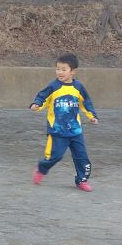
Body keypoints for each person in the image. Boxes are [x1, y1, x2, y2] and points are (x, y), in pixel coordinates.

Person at [30, 53, 99, 192]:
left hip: (75, 131)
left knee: (82, 158)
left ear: (72, 71)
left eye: (63, 69)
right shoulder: (54, 86)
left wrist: (92, 116)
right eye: (57, 69)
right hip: (57, 131)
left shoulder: (78, 87)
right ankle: (41, 169)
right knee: (54, 156)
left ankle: (82, 180)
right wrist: (36, 104)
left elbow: (86, 102)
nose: (60, 72)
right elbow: (42, 96)